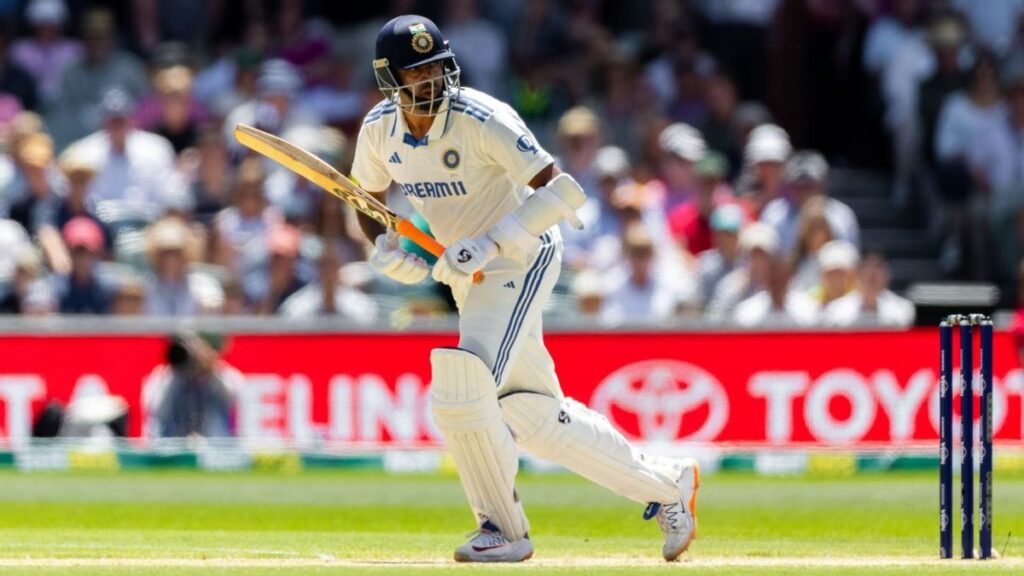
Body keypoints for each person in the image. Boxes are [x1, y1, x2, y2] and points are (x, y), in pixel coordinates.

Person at [350, 16, 697, 563]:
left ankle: (502, 529)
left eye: (439, 66)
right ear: (390, 81)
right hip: (471, 276)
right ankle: (667, 486)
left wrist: (489, 243)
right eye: (418, 72)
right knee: (529, 414)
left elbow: (563, 191)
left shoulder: (483, 117)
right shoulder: (378, 131)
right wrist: (387, 251)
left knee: (462, 385)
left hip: (522, 256)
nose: (434, 80)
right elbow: (367, 204)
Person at [823, 251, 915, 327]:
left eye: (878, 267)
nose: (871, 273)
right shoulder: (835, 311)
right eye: (866, 267)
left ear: (886, 274)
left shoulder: (904, 309)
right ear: (856, 273)